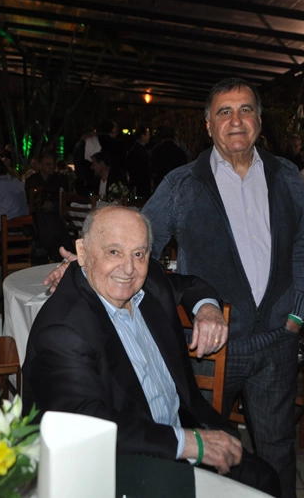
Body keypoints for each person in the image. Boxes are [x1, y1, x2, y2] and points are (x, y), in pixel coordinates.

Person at [43, 78, 304, 497]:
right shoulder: (182, 183)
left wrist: (296, 315)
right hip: (211, 347)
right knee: (205, 437)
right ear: (208, 125)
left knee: (277, 448)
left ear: (259, 122)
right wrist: (81, 269)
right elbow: (138, 245)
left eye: (245, 110)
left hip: (277, 341)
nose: (236, 120)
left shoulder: (287, 177)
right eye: (223, 112)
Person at [23, 206, 281, 496]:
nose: (129, 268)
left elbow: (190, 285)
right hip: (119, 463)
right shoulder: (63, 329)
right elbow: (88, 426)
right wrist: (189, 443)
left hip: (180, 430)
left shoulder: (149, 282)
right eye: (113, 252)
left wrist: (207, 308)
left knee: (266, 481)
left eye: (139, 253)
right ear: (82, 252)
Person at [125, 125, 152, 199]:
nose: (149, 137)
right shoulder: (138, 151)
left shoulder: (137, 149)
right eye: (148, 135)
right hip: (141, 184)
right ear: (143, 136)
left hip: (141, 183)